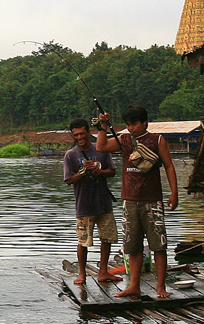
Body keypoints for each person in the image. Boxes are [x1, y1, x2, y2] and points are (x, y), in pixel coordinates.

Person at [96, 106, 178, 298]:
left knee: (158, 244)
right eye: (128, 125)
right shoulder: (124, 140)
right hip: (130, 200)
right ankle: (134, 285)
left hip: (153, 199)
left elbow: (169, 166)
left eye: (134, 124)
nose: (130, 128)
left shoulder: (157, 140)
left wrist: (174, 193)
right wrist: (103, 126)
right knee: (132, 246)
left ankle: (160, 287)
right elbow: (101, 147)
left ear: (144, 122)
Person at [63, 117, 119, 285]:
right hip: (84, 205)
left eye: (82, 133)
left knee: (107, 238)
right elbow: (68, 180)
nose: (80, 137)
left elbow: (112, 171)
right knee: (83, 241)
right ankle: (82, 274)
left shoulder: (101, 149)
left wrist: (99, 172)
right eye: (76, 135)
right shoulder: (71, 155)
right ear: (73, 136)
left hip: (104, 203)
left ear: (88, 132)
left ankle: (103, 272)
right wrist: (83, 172)